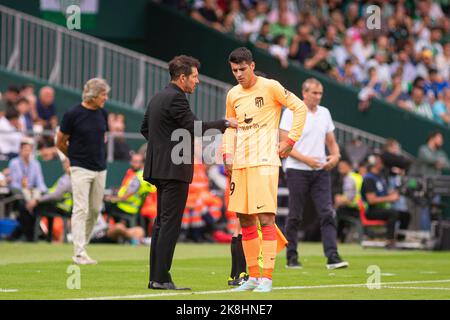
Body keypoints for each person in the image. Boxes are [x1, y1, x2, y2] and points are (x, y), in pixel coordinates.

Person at [140, 55, 237, 291]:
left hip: (160, 169)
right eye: (194, 76)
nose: (198, 81)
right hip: (174, 169)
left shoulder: (157, 97)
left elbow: (145, 128)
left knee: (162, 224)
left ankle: (156, 278)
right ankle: (161, 278)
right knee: (170, 224)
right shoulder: (176, 98)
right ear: (182, 77)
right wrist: (225, 123)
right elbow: (195, 127)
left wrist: (163, 148)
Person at [223, 47, 307, 293]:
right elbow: (230, 126)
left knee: (266, 219)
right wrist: (227, 154)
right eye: (234, 70)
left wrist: (290, 141)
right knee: (245, 219)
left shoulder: (270, 87)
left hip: (264, 162)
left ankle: (267, 278)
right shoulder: (233, 94)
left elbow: (299, 107)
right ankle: (253, 276)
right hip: (240, 163)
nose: (238, 74)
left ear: (252, 65)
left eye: (242, 69)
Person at [280, 77, 348, 270]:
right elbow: (284, 145)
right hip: (297, 170)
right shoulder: (291, 112)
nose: (318, 97)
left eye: (320, 93)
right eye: (314, 93)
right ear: (304, 93)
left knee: (327, 212)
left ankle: (332, 256)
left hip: (320, 171)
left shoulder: (324, 113)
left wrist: (335, 156)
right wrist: (306, 160)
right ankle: (291, 256)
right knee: (295, 215)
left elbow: (332, 142)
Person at [56, 78, 110, 265]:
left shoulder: (103, 113)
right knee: (81, 208)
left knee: (95, 210)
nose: (106, 98)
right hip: (80, 167)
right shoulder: (73, 114)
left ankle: (82, 246)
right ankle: (79, 252)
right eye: (103, 94)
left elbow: (103, 138)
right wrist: (71, 158)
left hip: (100, 168)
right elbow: (60, 141)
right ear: (93, 95)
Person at [361, 154, 411, 247]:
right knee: (392, 213)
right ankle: (390, 240)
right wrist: (389, 198)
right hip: (371, 211)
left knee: (406, 215)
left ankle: (400, 240)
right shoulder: (369, 178)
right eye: (378, 160)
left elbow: (383, 194)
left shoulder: (381, 177)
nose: (381, 163)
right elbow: (371, 200)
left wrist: (392, 194)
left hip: (382, 209)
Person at [7, 140, 48, 241]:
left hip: (33, 195)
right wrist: (24, 189)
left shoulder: (36, 164)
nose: (27, 152)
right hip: (19, 195)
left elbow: (40, 183)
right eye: (25, 150)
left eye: (29, 150)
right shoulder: (14, 163)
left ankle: (17, 236)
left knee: (36, 206)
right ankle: (30, 236)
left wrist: (38, 195)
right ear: (20, 150)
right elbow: (14, 184)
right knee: (23, 207)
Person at [26, 158, 73, 242]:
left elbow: (56, 195)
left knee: (34, 208)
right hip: (59, 206)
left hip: (62, 207)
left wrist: (37, 200)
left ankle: (34, 236)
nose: (65, 165)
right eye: (65, 163)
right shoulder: (65, 177)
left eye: (68, 163)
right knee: (37, 207)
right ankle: (47, 236)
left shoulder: (68, 179)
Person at [103, 153, 155, 225]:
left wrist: (110, 198)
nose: (132, 164)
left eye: (136, 162)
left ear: (143, 163)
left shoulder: (138, 178)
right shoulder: (138, 174)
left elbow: (125, 197)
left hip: (126, 208)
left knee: (103, 206)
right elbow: (125, 190)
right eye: (132, 161)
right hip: (128, 206)